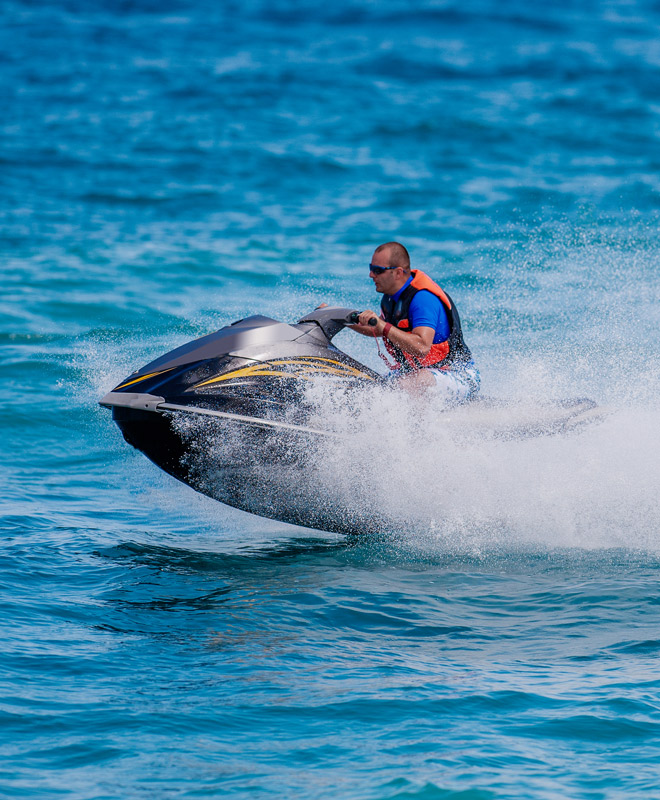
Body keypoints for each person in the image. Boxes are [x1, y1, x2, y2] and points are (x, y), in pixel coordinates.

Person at [351, 241, 480, 403]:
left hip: (458, 374)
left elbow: (422, 346)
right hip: (419, 372)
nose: (371, 275)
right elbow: (378, 330)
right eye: (371, 268)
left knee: (412, 383)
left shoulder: (423, 300)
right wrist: (340, 317)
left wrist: (382, 324)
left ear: (398, 272)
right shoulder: (391, 298)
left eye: (378, 270)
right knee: (367, 387)